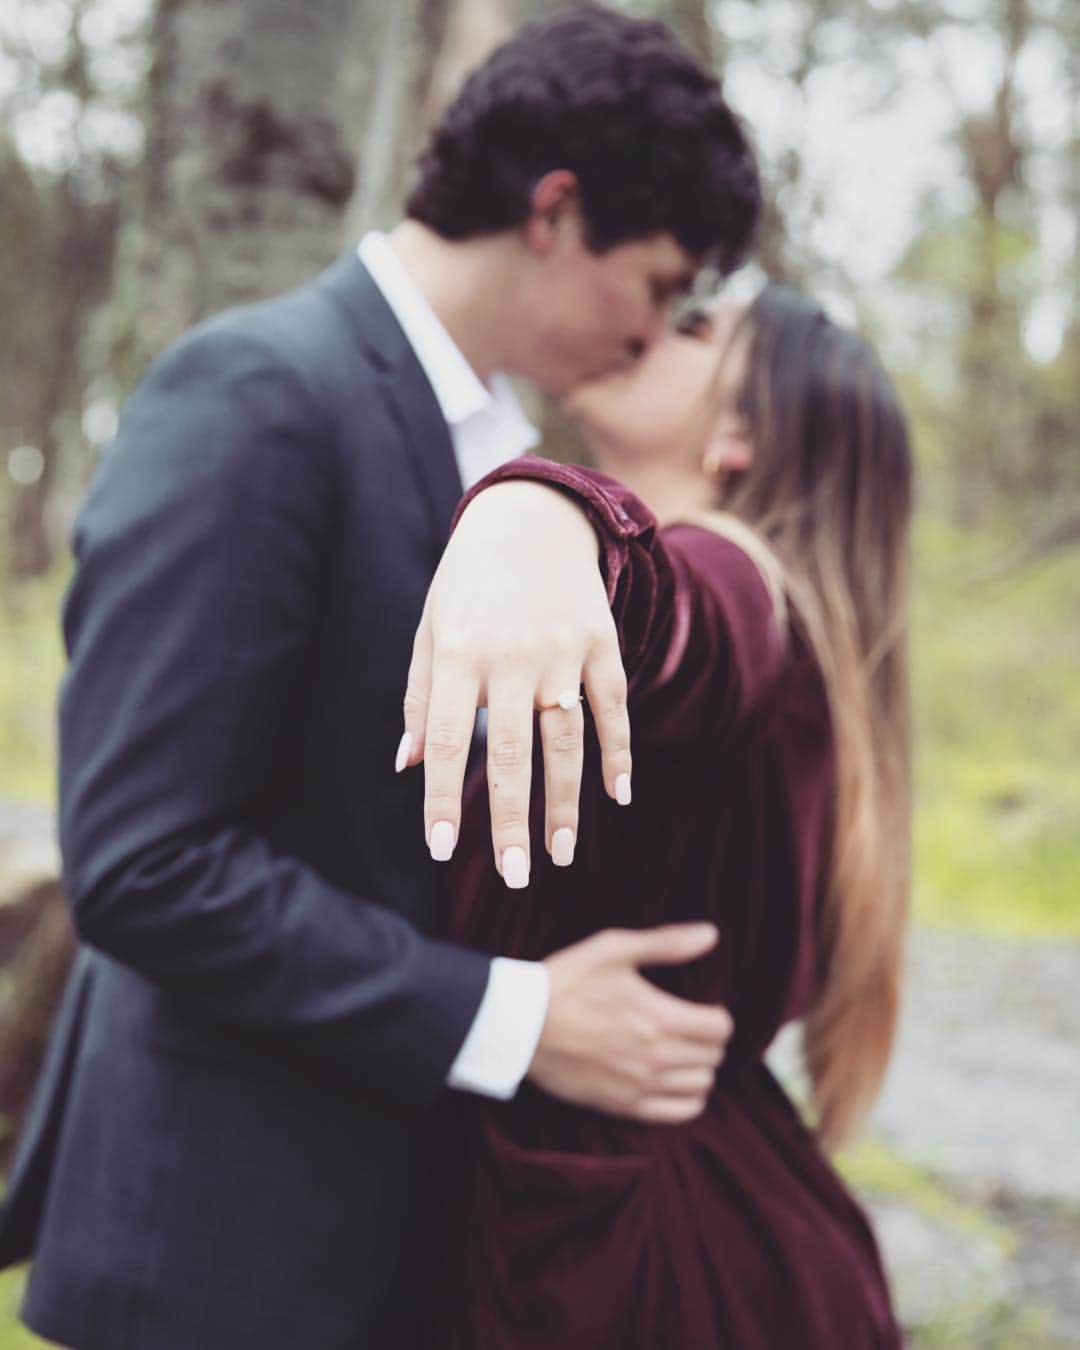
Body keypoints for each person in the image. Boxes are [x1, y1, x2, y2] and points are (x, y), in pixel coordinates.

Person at [0, 7, 761, 1348]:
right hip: (217, 1261)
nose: (652, 337)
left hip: (393, 1244)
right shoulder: (255, 392)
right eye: (653, 283)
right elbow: (142, 861)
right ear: (555, 208)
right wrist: (513, 1016)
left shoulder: (507, 453)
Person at [403, 285, 912, 1347]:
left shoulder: (740, 583)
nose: (643, 322)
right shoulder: (799, 625)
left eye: (693, 329)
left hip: (646, 1269)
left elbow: (672, 616)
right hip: (688, 1229)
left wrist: (540, 507)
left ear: (740, 435)